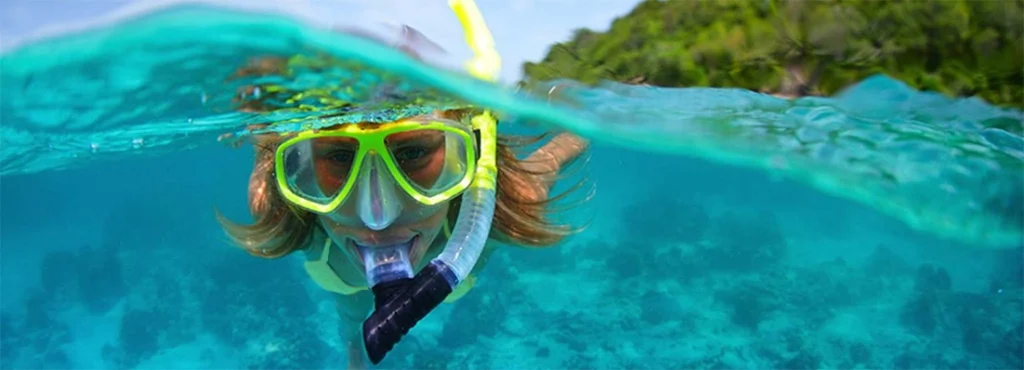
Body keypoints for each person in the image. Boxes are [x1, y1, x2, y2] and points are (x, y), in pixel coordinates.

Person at [215, 2, 590, 367]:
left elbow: (559, 149)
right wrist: (263, 122)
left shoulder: (511, 198)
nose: (378, 218)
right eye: (340, 158)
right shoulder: (275, 202)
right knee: (351, 309)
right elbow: (267, 140)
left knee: (350, 299)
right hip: (342, 280)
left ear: (472, 153)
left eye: (412, 153)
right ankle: (353, 347)